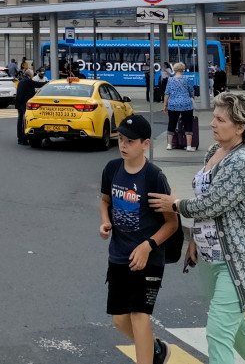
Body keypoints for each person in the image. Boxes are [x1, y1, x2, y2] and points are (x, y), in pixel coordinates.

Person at [149, 92, 245, 364]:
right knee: (237, 329)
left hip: (238, 260)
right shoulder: (214, 151)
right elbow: (205, 200)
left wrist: (174, 205)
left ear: (240, 127)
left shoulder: (241, 161)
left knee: (219, 332)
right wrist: (195, 239)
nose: (212, 124)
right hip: (210, 259)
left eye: (220, 120)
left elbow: (212, 204)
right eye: (214, 117)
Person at [99, 115, 178, 364]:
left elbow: (172, 223)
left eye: (130, 141)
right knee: (119, 319)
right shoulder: (112, 169)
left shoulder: (153, 177)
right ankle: (156, 350)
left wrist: (148, 246)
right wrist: (105, 222)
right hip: (119, 255)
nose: (123, 145)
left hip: (148, 257)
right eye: (121, 139)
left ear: (145, 144)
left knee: (139, 315)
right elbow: (105, 201)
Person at [165, 63, 195, 151]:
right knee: (188, 124)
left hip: (173, 104)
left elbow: (167, 93)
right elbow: (191, 92)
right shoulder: (187, 79)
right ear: (183, 69)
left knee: (172, 123)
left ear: (174, 70)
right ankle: (188, 146)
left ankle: (169, 145)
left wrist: (165, 105)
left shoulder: (170, 80)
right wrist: (192, 96)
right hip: (186, 104)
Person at [15, 69, 38, 145]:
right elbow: (38, 84)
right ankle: (24, 139)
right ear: (30, 75)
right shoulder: (28, 81)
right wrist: (48, 83)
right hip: (25, 103)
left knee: (20, 120)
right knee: (25, 121)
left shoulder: (21, 81)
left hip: (19, 103)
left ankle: (19, 138)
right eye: (32, 75)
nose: (33, 76)